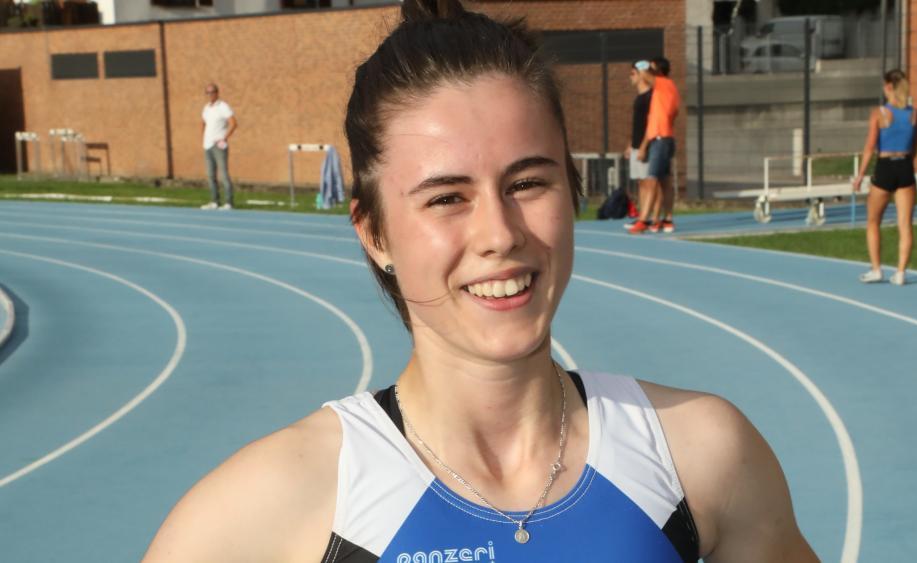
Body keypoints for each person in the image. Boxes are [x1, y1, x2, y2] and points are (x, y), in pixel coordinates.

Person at [143, 2, 819, 561]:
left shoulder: (701, 455)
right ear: (374, 232)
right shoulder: (278, 502)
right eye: (446, 198)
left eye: (527, 183)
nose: (499, 233)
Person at [852, 69, 917, 285]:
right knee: (905, 225)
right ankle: (900, 273)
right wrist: (906, 164)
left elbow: (869, 147)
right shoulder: (914, 114)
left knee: (873, 221)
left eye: (884, 86)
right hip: (905, 168)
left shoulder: (880, 113)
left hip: (885, 168)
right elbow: (915, 146)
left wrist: (860, 175)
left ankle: (876, 269)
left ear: (889, 87)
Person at [630, 56, 680, 235]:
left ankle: (643, 220)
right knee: (665, 181)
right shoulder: (665, 90)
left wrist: (641, 64)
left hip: (660, 139)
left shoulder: (664, 84)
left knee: (651, 179)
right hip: (664, 138)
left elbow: (645, 75)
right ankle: (667, 219)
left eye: (652, 68)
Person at [623, 60, 655, 231]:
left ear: (641, 74)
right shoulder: (639, 97)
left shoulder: (650, 97)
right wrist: (630, 145)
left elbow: (650, 125)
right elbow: (636, 124)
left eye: (633, 73)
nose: (630, 77)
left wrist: (643, 146)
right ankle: (642, 216)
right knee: (641, 183)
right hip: (636, 146)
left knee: (648, 183)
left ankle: (647, 217)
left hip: (645, 147)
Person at [200, 82, 238, 211]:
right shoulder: (206, 108)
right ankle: (214, 201)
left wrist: (224, 138)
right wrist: (204, 137)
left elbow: (233, 123)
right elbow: (203, 123)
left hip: (219, 145)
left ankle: (229, 202)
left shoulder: (223, 106)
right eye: (208, 92)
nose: (210, 95)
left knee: (223, 174)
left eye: (212, 92)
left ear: (217, 93)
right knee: (210, 175)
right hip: (207, 145)